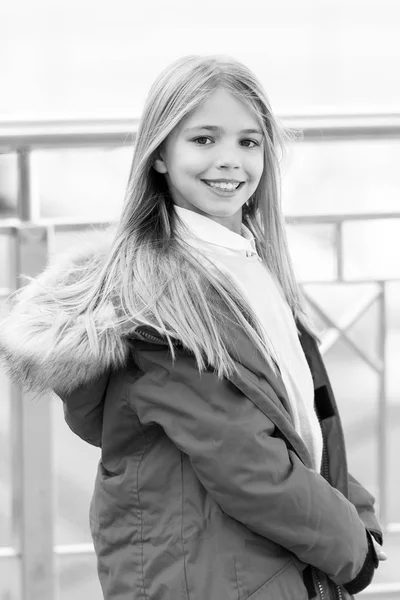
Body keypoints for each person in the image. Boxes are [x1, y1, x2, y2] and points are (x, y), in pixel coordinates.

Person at [0, 54, 387, 599]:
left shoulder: (244, 264)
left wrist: (357, 514)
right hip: (206, 575)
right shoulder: (161, 297)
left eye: (248, 142)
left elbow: (304, 421)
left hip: (257, 561)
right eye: (204, 140)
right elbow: (246, 463)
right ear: (159, 154)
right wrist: (353, 546)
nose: (229, 161)